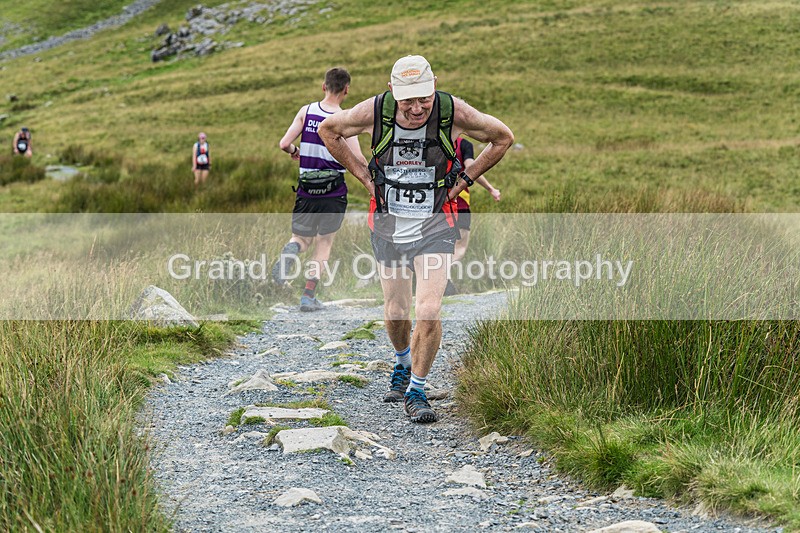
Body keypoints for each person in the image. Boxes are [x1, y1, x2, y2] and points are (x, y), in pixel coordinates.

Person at [319, 55, 514, 423]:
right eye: (408, 99)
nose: (416, 107)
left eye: (423, 97)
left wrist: (466, 181)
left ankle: (418, 390)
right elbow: (329, 130)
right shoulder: (374, 112)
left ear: (434, 86)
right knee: (396, 312)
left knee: (427, 309)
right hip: (388, 226)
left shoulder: (450, 111)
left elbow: (503, 138)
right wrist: (363, 175)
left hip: (435, 226)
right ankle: (402, 363)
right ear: (393, 92)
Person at [272, 67, 366, 312]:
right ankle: (308, 296)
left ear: (324, 86)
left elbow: (284, 144)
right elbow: (357, 158)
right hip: (333, 192)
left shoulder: (307, 111)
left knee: (301, 238)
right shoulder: (345, 119)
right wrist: (372, 178)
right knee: (324, 244)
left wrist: (296, 153)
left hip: (306, 189)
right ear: (346, 89)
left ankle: (292, 251)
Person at [445, 136, 501, 295]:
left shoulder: (433, 140)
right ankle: (445, 275)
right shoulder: (463, 144)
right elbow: (471, 168)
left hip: (434, 205)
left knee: (437, 245)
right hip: (460, 203)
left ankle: (436, 277)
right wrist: (491, 189)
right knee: (460, 247)